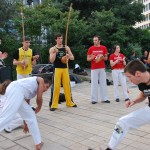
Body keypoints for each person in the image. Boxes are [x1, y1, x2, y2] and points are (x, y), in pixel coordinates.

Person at [101, 60, 150, 150]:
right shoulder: (142, 83)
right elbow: (144, 94)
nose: (129, 80)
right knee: (122, 122)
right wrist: (134, 101)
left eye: (129, 77)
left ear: (138, 74)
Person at [0, 76, 51, 150]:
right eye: (46, 86)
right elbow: (39, 98)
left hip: (17, 92)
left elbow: (26, 109)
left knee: (30, 116)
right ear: (44, 83)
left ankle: (38, 142)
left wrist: (25, 123)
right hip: (15, 89)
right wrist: (39, 107)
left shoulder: (30, 90)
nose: (46, 89)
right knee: (7, 117)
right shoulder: (41, 80)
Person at [49, 33, 77, 111]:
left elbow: (72, 58)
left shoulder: (66, 47)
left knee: (67, 86)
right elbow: (51, 60)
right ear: (56, 39)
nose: (60, 40)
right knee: (56, 87)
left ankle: (69, 102)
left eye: (61, 38)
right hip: (57, 68)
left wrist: (68, 55)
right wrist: (55, 53)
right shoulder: (53, 48)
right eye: (58, 38)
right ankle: (54, 104)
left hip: (65, 68)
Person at [87, 35, 110, 104]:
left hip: (102, 67)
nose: (94, 41)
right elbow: (88, 59)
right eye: (94, 40)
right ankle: (94, 99)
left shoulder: (103, 48)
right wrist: (92, 57)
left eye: (96, 40)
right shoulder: (91, 48)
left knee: (103, 83)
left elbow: (106, 58)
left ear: (99, 41)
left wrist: (102, 57)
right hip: (94, 68)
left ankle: (105, 98)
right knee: (94, 83)